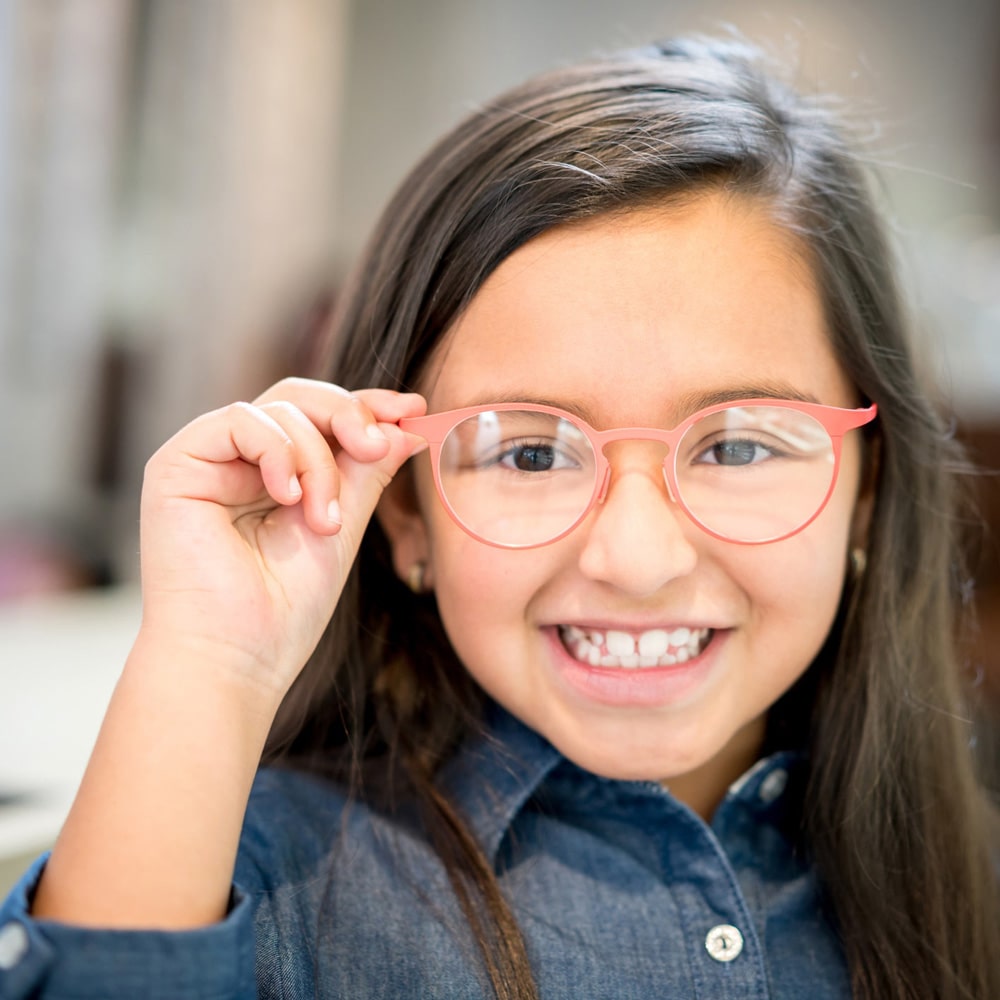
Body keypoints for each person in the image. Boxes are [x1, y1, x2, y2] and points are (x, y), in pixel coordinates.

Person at [1, 34, 997, 1000]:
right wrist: (211, 662)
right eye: (528, 452)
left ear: (869, 492)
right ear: (405, 514)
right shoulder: (256, 879)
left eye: (738, 445)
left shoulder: (968, 893)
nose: (637, 557)